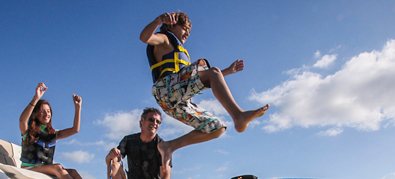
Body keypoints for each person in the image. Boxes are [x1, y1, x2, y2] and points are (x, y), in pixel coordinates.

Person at [140, 11, 270, 171]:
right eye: (184, 28)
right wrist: (158, 20)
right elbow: (145, 37)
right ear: (172, 25)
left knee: (216, 127)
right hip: (165, 91)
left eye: (189, 31)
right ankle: (238, 115)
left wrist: (227, 72)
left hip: (175, 103)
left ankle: (169, 146)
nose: (187, 33)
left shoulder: (180, 51)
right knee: (212, 71)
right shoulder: (164, 38)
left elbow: (200, 80)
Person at [19, 82, 82, 179]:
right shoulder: (28, 131)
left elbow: (75, 130)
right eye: (42, 111)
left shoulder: (53, 133)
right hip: (28, 169)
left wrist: (78, 108)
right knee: (58, 167)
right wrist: (36, 98)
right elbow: (22, 120)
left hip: (45, 170)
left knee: (73, 172)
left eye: (48, 111)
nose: (46, 114)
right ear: (36, 113)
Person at [105, 108, 171, 179]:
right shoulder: (128, 140)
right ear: (142, 120)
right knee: (114, 166)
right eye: (151, 119)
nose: (155, 123)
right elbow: (111, 161)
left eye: (158, 122)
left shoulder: (162, 146)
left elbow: (166, 175)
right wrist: (111, 155)